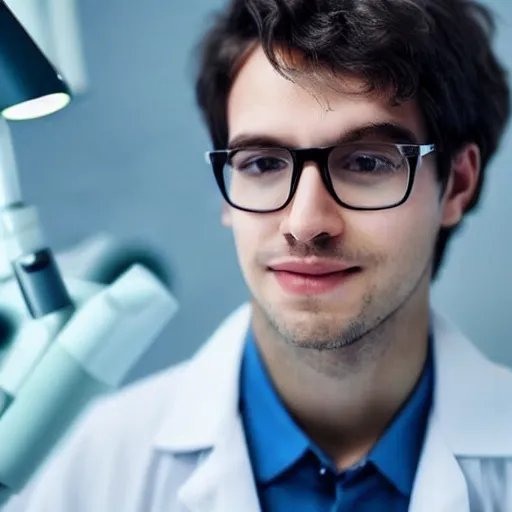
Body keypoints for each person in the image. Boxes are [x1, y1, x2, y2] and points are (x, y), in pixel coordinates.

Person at [4, 0, 512, 510]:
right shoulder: (89, 468)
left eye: (365, 161)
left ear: (457, 185)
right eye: (263, 163)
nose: (305, 223)